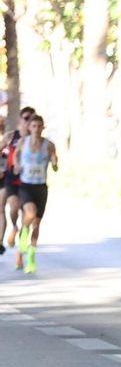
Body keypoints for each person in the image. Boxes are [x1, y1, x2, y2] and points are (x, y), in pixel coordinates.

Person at [13, 113, 59, 274]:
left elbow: (55, 165)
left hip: (41, 188)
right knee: (30, 214)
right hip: (26, 186)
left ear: (43, 128)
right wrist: (17, 165)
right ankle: (22, 244)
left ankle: (30, 257)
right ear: (29, 127)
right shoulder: (22, 142)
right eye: (33, 126)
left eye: (39, 126)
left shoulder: (49, 145)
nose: (36, 129)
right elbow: (16, 157)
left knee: (36, 225)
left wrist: (54, 162)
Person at [1, 106, 37, 254]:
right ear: (20, 120)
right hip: (12, 178)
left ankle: (22, 248)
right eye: (26, 118)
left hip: (29, 180)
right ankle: (14, 227)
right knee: (13, 207)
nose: (29, 122)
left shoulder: (36, 140)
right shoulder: (11, 136)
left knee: (28, 215)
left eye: (32, 119)